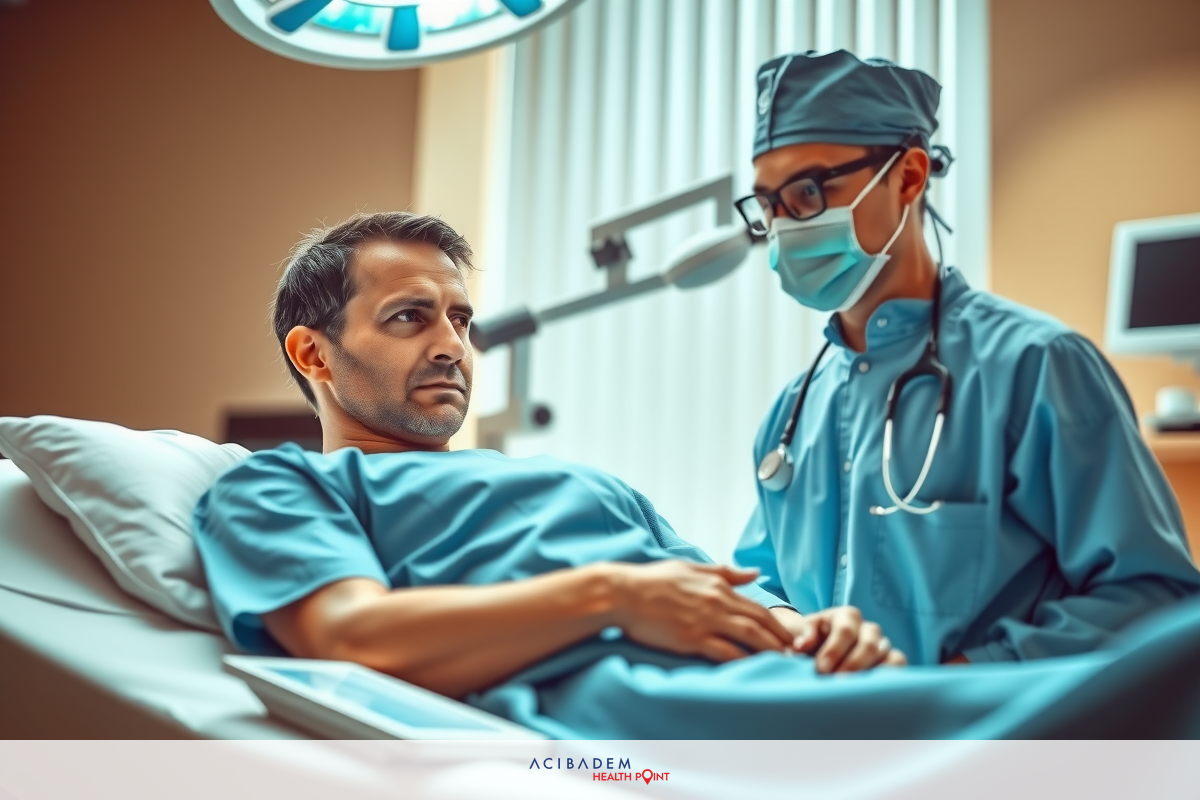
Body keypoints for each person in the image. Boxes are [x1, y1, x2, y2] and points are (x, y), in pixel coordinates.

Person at [193, 212, 905, 703]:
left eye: (460, 319)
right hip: (645, 717)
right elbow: (345, 637)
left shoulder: (586, 484)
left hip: (796, 682)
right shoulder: (278, 486)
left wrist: (817, 630)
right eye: (410, 317)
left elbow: (734, 596)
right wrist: (613, 597)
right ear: (313, 352)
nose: (451, 346)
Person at [732, 49, 1200, 667]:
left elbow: (1155, 599)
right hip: (832, 747)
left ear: (908, 176)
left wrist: (953, 683)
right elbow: (760, 583)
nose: (784, 225)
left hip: (984, 746)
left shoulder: (1038, 368)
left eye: (810, 192)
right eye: (767, 205)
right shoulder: (793, 412)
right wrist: (792, 629)